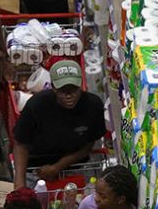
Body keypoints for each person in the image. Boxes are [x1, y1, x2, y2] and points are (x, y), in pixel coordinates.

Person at [11, 60, 107, 188]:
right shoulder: (37, 105)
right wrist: (19, 182)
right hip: (36, 169)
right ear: (53, 88)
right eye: (63, 91)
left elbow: (88, 145)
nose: (69, 96)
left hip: (77, 165)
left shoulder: (93, 105)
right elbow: (20, 144)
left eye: (74, 90)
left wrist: (57, 167)